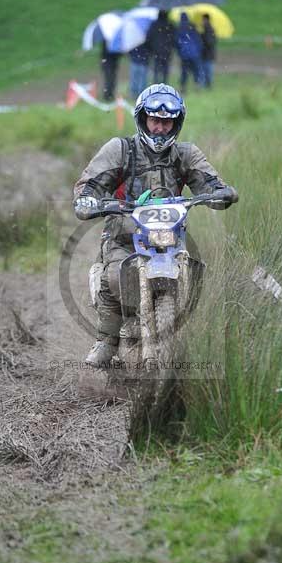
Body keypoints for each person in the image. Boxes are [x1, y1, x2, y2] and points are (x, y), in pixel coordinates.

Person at [73, 83, 238, 368]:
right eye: (155, 120)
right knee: (114, 276)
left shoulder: (186, 154)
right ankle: (107, 340)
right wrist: (89, 200)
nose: (160, 128)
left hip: (169, 238)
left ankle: (184, 341)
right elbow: (90, 185)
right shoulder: (119, 150)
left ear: (176, 123)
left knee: (195, 274)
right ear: (142, 119)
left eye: (167, 122)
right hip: (123, 236)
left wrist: (220, 192)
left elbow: (210, 182)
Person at [146, 10, 177, 84]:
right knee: (165, 67)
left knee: (157, 67)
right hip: (167, 50)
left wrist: (150, 47)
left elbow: (149, 36)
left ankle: (156, 83)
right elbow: (174, 37)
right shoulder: (170, 24)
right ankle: (165, 83)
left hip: (156, 49)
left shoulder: (154, 24)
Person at [176, 12, 204, 93]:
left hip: (184, 54)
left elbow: (177, 42)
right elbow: (198, 41)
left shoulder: (179, 29)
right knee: (196, 71)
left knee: (184, 72)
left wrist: (179, 52)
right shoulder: (193, 27)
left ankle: (183, 88)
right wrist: (198, 50)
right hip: (195, 54)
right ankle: (197, 87)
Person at [201, 13, 217, 88]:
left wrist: (203, 39)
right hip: (208, 54)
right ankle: (207, 85)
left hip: (208, 54)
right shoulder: (207, 29)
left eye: (203, 20)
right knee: (206, 71)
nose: (202, 21)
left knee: (207, 71)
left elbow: (209, 42)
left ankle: (208, 85)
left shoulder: (208, 30)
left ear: (206, 19)